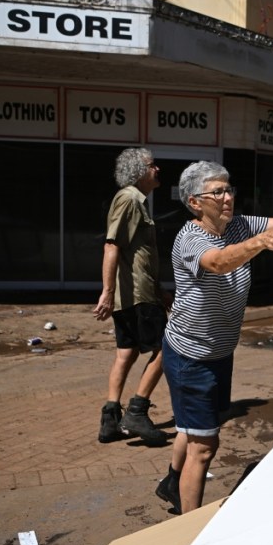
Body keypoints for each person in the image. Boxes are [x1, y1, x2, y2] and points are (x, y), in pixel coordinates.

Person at [155, 160, 273, 514]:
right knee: (204, 446)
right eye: (218, 191)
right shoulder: (190, 238)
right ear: (195, 202)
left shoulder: (238, 225)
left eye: (229, 189)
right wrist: (262, 241)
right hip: (191, 356)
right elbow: (218, 262)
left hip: (218, 352)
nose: (227, 197)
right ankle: (186, 532)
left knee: (196, 426)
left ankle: (171, 480)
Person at [92, 147, 170, 446]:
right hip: (134, 295)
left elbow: (139, 253)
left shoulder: (137, 201)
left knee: (127, 352)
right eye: (153, 165)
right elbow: (111, 246)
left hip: (136, 293)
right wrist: (107, 293)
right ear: (139, 171)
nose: (158, 169)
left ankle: (110, 419)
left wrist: (159, 288)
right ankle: (137, 410)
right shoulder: (129, 199)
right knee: (168, 347)